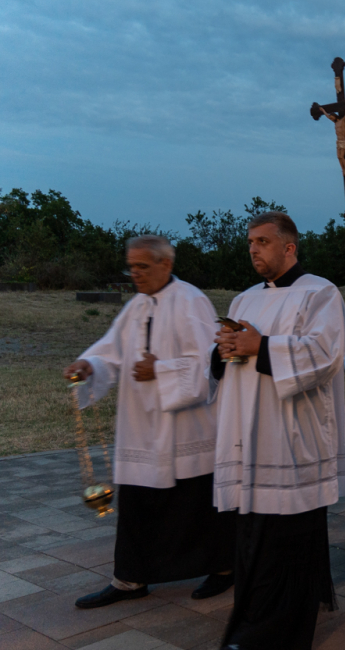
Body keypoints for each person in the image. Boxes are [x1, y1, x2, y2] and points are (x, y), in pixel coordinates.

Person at [65, 236, 235, 610]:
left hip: (185, 427)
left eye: (142, 266)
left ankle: (223, 568)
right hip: (141, 425)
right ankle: (130, 579)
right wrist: (89, 364)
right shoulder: (136, 306)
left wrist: (160, 369)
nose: (135, 274)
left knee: (195, 503)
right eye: (131, 267)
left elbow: (211, 363)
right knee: (137, 503)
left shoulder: (191, 301)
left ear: (165, 264)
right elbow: (112, 351)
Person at [211, 213, 345, 649]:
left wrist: (260, 345)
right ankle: (252, 624)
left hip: (293, 436)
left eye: (263, 241)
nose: (253, 249)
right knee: (253, 539)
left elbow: (325, 356)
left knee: (287, 541)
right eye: (250, 242)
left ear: (289, 247)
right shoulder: (243, 300)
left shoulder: (320, 293)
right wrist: (224, 350)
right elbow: (226, 362)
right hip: (249, 432)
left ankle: (280, 634)